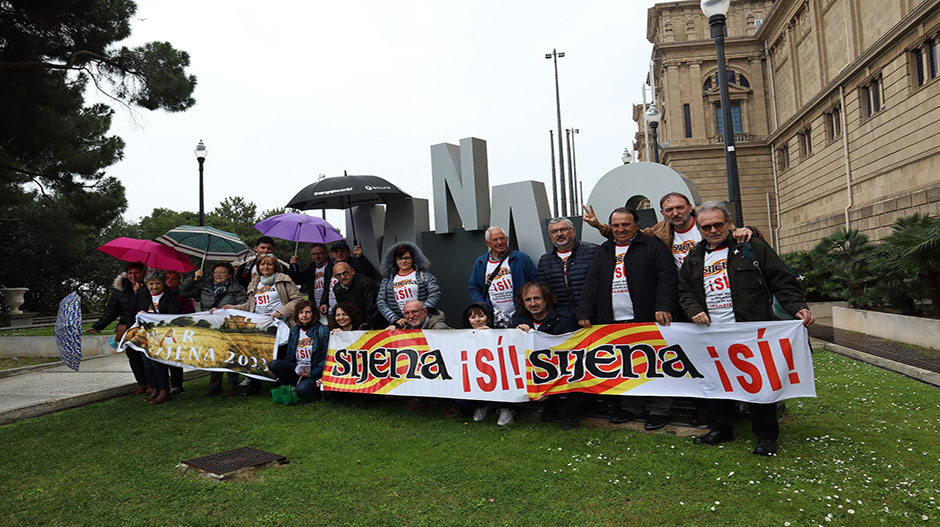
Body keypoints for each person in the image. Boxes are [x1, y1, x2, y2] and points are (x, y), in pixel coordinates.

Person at [678, 201, 815, 456]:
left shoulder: (752, 248)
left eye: (719, 224)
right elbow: (684, 290)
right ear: (699, 229)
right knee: (717, 384)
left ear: (730, 224)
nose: (713, 230)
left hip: (751, 331)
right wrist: (694, 309)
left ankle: (766, 436)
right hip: (713, 334)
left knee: (759, 384)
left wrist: (798, 306)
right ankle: (722, 429)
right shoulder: (694, 257)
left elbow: (782, 280)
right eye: (706, 227)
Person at [577, 207, 678, 431]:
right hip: (613, 321)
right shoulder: (605, 250)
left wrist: (663, 306)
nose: (620, 229)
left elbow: (667, 278)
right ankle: (632, 407)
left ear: (637, 225)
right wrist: (584, 311)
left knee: (656, 366)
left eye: (626, 224)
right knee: (627, 366)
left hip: (648, 318)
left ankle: (659, 410)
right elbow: (592, 282)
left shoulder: (652, 246)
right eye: (616, 225)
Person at [221, 254, 303, 396]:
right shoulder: (255, 283)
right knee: (257, 356)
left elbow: (298, 300)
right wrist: (232, 308)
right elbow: (250, 306)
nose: (265, 267)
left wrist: (281, 311)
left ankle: (280, 385)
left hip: (280, 325)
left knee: (279, 355)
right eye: (262, 264)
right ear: (258, 267)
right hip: (260, 326)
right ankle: (254, 387)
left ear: (275, 266)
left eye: (269, 264)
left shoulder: (283, 281)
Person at [511, 281, 581, 430]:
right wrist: (516, 333)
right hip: (538, 367)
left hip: (563, 365)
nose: (533, 303)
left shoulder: (565, 318)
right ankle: (551, 405)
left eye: (537, 298)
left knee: (575, 370)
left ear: (547, 299)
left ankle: (571, 413)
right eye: (528, 300)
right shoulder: (518, 319)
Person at [180, 263, 249, 396]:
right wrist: (194, 279)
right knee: (215, 355)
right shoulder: (205, 287)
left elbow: (243, 305)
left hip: (229, 327)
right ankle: (214, 386)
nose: (218, 275)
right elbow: (184, 292)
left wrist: (228, 309)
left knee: (231, 356)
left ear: (230, 275)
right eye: (216, 272)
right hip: (211, 328)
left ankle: (233, 386)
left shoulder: (237, 289)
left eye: (222, 272)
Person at [87, 261, 149, 393]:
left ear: (142, 273)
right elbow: (111, 311)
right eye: (130, 273)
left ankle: (151, 383)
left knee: (146, 356)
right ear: (126, 275)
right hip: (128, 328)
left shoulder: (148, 287)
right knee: (133, 356)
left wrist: (139, 292)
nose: (133, 276)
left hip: (145, 327)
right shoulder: (120, 291)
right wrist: (98, 326)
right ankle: (141, 383)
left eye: (136, 273)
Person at [467, 226, 537, 328]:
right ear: (487, 243)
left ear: (507, 239)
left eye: (502, 238)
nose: (500, 242)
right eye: (495, 240)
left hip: (520, 315)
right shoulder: (481, 262)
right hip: (492, 318)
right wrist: (483, 307)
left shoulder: (521, 258)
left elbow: (535, 282)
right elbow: (474, 288)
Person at [135, 269, 181, 405]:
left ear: (163, 284)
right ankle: (154, 388)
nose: (154, 287)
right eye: (151, 284)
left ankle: (164, 390)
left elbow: (173, 316)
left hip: (161, 335)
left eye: (157, 284)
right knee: (147, 362)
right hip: (145, 334)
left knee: (158, 362)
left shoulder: (170, 296)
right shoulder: (142, 295)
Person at [268, 300, 330, 401]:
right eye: (301, 312)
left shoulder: (322, 330)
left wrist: (312, 373)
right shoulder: (294, 331)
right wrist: (283, 373)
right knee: (274, 364)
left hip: (313, 371)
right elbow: (289, 355)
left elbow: (327, 357)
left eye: (308, 312)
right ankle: (291, 383)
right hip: (297, 369)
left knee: (302, 390)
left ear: (314, 314)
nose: (304, 315)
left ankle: (311, 387)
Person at [536, 218, 598, 315]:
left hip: (593, 314)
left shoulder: (593, 252)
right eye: (554, 232)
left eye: (563, 229)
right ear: (550, 236)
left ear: (573, 231)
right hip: (562, 318)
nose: (559, 234)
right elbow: (544, 293)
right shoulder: (545, 261)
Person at [378, 241, 441, 327]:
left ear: (413, 259)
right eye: (399, 258)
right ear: (395, 260)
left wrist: (421, 312)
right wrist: (395, 319)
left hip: (423, 323)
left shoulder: (425, 276)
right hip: (400, 325)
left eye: (407, 258)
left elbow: (435, 294)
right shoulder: (387, 281)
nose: (403, 261)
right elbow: (381, 302)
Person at [288, 243, 336, 320]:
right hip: (315, 305)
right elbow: (298, 280)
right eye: (313, 254)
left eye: (319, 253)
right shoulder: (312, 267)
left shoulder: (333, 266)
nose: (317, 257)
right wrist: (294, 265)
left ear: (327, 253)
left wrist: (324, 302)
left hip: (329, 305)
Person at [163, 270, 192, 395]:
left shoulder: (183, 295)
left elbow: (189, 311)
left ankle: (176, 384)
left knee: (175, 357)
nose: (170, 281)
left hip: (177, 329)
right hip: (161, 330)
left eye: (173, 279)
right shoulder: (160, 293)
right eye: (167, 278)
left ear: (179, 281)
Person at [332, 261, 383, 329]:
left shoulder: (366, 284)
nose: (343, 277)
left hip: (374, 325)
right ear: (335, 277)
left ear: (352, 271)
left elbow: (372, 311)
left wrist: (364, 329)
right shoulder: (337, 288)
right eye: (338, 275)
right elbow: (343, 309)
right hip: (354, 325)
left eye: (345, 273)